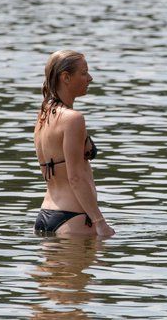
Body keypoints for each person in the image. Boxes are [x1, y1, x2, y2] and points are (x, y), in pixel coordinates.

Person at [33, 50, 115, 238]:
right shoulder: (73, 119)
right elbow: (76, 178)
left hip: (45, 216)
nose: (90, 78)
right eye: (84, 72)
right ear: (66, 77)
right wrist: (100, 223)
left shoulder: (43, 116)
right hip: (73, 219)